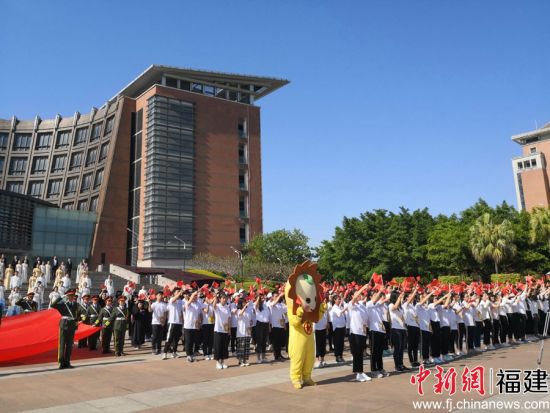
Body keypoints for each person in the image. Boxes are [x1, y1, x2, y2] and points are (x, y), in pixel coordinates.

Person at [50, 288, 81, 369]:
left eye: (73, 295)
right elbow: (53, 305)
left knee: (69, 345)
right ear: (67, 296)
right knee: (62, 344)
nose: (71, 297)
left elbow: (76, 316)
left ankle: (67, 362)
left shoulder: (76, 304)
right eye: (70, 295)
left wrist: (76, 326)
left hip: (71, 325)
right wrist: (61, 297)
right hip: (64, 324)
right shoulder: (63, 304)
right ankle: (61, 362)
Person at [348, 283, 372, 382]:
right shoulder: (351, 304)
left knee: (361, 353)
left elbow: (365, 318)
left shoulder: (361, 305)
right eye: (357, 294)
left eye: (359, 295)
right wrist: (362, 288)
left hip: (362, 332)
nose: (359, 296)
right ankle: (358, 373)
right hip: (355, 332)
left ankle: (361, 372)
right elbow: (355, 298)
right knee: (357, 353)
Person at [388, 289, 409, 371]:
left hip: (402, 328)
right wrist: (399, 298)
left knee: (401, 348)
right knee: (397, 348)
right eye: (397, 296)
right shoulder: (391, 305)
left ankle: (401, 364)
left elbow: (402, 316)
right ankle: (397, 366)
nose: (399, 297)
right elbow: (395, 307)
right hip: (395, 329)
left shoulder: (400, 307)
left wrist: (405, 327)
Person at [163, 287, 184, 360]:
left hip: (179, 323)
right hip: (172, 322)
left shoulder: (181, 301)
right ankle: (165, 353)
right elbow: (174, 299)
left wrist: (182, 320)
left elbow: (182, 311)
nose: (179, 292)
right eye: (177, 291)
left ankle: (174, 353)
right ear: (174, 293)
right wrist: (180, 292)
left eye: (179, 291)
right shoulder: (171, 299)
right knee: (169, 338)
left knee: (176, 339)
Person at [184, 290, 202, 362]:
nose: (195, 297)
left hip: (195, 326)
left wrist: (199, 322)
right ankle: (188, 355)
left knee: (194, 341)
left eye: (196, 296)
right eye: (194, 296)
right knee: (188, 341)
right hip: (188, 325)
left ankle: (192, 355)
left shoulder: (198, 304)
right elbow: (189, 302)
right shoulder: (187, 303)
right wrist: (194, 293)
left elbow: (199, 314)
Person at [269, 292, 287, 361]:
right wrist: (280, 295)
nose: (277, 297)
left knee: (280, 342)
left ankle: (279, 355)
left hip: (281, 325)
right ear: (272, 297)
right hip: (275, 326)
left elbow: (284, 313)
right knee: (275, 342)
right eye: (275, 296)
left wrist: (284, 324)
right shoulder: (272, 304)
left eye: (277, 296)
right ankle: (276, 356)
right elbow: (274, 303)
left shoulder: (281, 304)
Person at [329, 294, 347, 363]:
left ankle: (341, 356)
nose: (339, 300)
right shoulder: (334, 307)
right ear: (334, 300)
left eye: (340, 299)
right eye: (338, 299)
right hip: (337, 328)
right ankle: (337, 357)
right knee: (337, 343)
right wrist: (345, 308)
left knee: (341, 343)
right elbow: (339, 313)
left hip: (342, 327)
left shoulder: (339, 307)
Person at [236, 297, 253, 366]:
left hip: (247, 331)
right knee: (241, 347)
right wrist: (245, 307)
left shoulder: (248, 311)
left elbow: (250, 320)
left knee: (246, 347)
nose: (245, 303)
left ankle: (245, 360)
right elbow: (240, 314)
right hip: (241, 332)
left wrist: (251, 324)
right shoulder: (238, 310)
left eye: (245, 302)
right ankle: (240, 361)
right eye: (243, 302)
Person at [255, 292, 271, 364]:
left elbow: (268, 317)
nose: (263, 299)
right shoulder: (257, 305)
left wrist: (269, 326)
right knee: (259, 341)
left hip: (266, 324)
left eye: (263, 297)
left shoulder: (266, 306)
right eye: (261, 298)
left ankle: (263, 357)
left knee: (264, 341)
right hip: (259, 324)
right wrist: (259, 297)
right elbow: (256, 305)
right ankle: (258, 358)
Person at [150, 291, 168, 355]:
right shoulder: (154, 304)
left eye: (161, 295)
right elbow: (150, 310)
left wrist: (164, 321)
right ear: (156, 296)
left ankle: (159, 349)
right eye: (159, 295)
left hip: (161, 322)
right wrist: (149, 303)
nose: (160, 296)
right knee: (155, 336)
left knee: (160, 337)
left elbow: (165, 313)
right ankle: (153, 349)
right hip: (155, 322)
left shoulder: (164, 304)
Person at [201, 295, 215, 360]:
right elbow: (206, 311)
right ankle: (205, 354)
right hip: (205, 324)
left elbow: (213, 314)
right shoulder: (203, 305)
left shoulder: (212, 305)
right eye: (208, 298)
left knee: (211, 340)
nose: (209, 299)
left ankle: (210, 353)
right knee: (205, 340)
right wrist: (209, 304)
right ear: (205, 298)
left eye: (210, 298)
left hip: (211, 323)